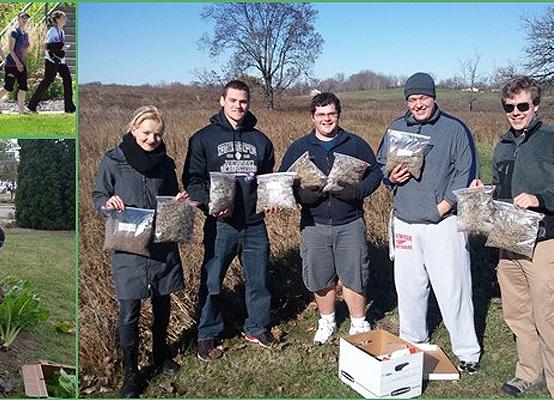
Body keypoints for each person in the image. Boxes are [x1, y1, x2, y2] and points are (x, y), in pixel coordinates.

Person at [377, 72, 480, 373]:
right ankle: (413, 343)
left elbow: (466, 169)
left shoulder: (454, 129)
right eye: (412, 99)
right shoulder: (396, 128)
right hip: (406, 222)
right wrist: (389, 177)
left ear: (433, 97)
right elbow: (382, 165)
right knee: (409, 289)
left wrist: (445, 205)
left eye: (423, 97)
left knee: (453, 289)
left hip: (442, 223)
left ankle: (467, 351)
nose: (418, 104)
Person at [90, 106, 183, 397]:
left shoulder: (166, 163)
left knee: (162, 302)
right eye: (146, 133)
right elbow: (99, 195)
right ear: (133, 129)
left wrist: (178, 201)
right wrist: (109, 203)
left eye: (157, 134)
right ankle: (131, 373)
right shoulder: (113, 160)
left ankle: (160, 355)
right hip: (128, 246)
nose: (152, 139)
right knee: (129, 310)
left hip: (161, 244)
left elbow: (170, 197)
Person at [470, 77, 554, 396]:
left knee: (547, 315)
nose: (515, 112)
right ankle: (529, 372)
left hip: (543, 242)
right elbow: (502, 189)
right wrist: (485, 192)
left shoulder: (550, 138)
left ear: (535, 106)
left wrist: (539, 199)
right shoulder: (504, 143)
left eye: (522, 106)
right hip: (508, 239)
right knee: (517, 313)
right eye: (509, 107)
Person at [181, 79, 276, 360]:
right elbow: (192, 181)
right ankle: (207, 334)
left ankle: (256, 327)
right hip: (221, 224)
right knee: (212, 280)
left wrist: (271, 199)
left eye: (243, 101)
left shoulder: (261, 140)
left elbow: (267, 179)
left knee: (258, 279)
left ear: (249, 103)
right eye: (233, 100)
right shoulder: (203, 138)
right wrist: (210, 204)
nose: (238, 106)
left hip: (254, 223)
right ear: (222, 101)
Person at [279, 92, 382, 344]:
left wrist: (357, 191)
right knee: (319, 275)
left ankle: (358, 323)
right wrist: (301, 195)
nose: (327, 119)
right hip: (314, 224)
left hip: (350, 222)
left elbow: (376, 173)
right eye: (321, 114)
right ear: (313, 117)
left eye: (331, 114)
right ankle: (327, 321)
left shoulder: (355, 144)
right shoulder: (299, 147)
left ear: (339, 114)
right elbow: (283, 183)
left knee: (354, 274)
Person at [26, 10, 75, 114]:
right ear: (57, 19)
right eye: (64, 17)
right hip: (51, 61)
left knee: (68, 80)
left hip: (61, 61)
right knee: (47, 82)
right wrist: (61, 47)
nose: (66, 19)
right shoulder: (52, 31)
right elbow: (46, 47)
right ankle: (32, 105)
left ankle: (69, 107)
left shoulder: (61, 31)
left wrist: (62, 48)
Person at [0, 13, 32, 114]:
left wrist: (22, 62)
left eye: (26, 18)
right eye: (22, 18)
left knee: (23, 87)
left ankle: (21, 109)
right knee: (8, 87)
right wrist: (18, 63)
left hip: (21, 63)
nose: (24, 20)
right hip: (11, 64)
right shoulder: (14, 32)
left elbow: (24, 50)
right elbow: (11, 50)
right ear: (18, 19)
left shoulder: (25, 34)